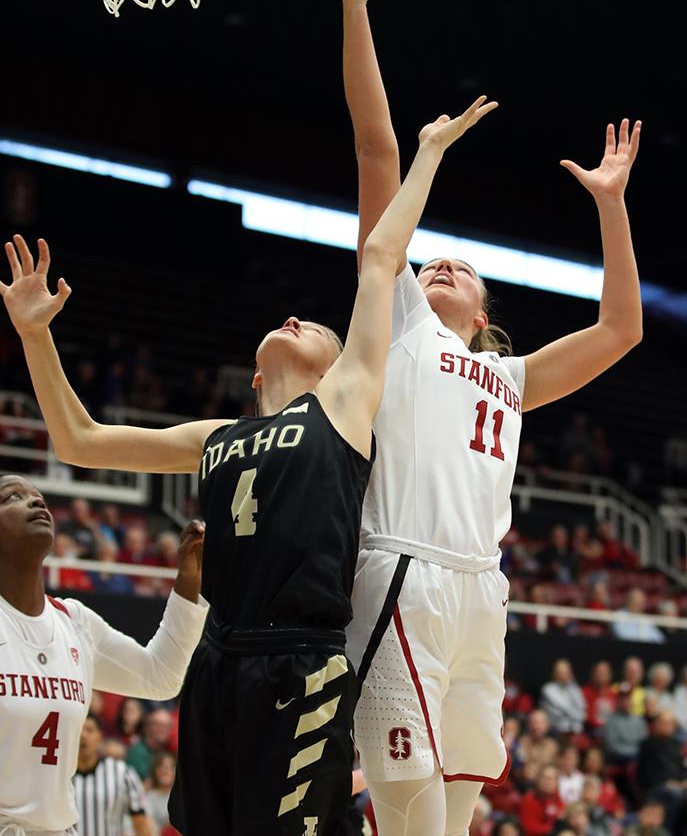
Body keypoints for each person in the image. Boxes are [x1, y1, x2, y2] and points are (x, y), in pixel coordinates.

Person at [0, 112, 481, 836]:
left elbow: (381, 255)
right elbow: (80, 438)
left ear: (336, 360)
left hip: (300, 657)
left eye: (315, 327)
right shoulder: (216, 434)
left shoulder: (346, 402)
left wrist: (428, 156)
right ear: (256, 372)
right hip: (219, 659)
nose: (295, 316)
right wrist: (36, 336)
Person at [322, 0, 642, 836]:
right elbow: (376, 153)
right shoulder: (406, 324)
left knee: (456, 812)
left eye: (460, 268)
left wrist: (611, 208)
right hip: (402, 569)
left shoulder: (511, 376)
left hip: (480, 586)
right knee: (406, 810)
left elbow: (620, 328)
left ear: (487, 313)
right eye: (431, 261)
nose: (439, 265)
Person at [0, 472, 206, 835]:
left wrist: (189, 578)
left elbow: (160, 675)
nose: (35, 501)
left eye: (38, 496)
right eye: (12, 497)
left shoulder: (74, 621)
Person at [73, 713, 153, 836]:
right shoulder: (58, 774)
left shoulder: (122, 772)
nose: (83, 735)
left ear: (100, 737)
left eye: (89, 730)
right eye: (78, 729)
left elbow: (141, 823)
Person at [539, 660, 587, 735]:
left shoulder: (574, 688)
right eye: (561, 672)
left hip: (576, 730)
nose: (565, 674)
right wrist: (579, 716)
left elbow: (583, 708)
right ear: (555, 674)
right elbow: (565, 708)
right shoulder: (548, 689)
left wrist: (580, 716)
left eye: (567, 671)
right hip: (556, 730)